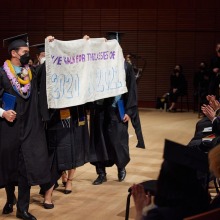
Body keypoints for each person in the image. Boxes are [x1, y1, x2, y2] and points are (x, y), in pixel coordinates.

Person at [0, 34, 50, 220]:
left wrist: (50, 46)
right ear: (14, 53)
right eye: (25, 52)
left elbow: (46, 68)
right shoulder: (2, 73)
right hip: (8, 127)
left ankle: (23, 209)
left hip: (29, 127)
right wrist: (2, 112)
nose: (28, 55)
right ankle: (10, 199)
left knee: (25, 167)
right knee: (9, 165)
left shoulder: (31, 73)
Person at [37, 35, 90, 208]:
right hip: (52, 120)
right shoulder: (45, 69)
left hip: (71, 120)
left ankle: (58, 188)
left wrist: (84, 46)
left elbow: (86, 70)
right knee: (53, 158)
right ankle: (48, 192)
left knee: (68, 154)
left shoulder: (74, 70)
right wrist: (49, 45)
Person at [90, 31, 137, 185]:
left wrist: (129, 112)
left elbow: (131, 91)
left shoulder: (125, 66)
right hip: (100, 110)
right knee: (99, 142)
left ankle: (121, 167)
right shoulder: (96, 65)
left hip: (117, 109)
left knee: (118, 140)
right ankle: (101, 173)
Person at [125, 54, 145, 149]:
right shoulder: (136, 73)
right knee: (136, 124)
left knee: (135, 123)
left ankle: (140, 142)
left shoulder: (133, 72)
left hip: (130, 99)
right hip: (132, 99)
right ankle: (141, 142)